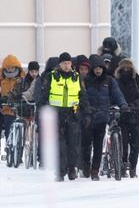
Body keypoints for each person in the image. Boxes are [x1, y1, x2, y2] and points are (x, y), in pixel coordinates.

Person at [84, 53, 127, 180]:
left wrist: (123, 104)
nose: (98, 70)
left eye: (100, 68)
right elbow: (83, 97)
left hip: (102, 117)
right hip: (88, 118)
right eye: (96, 68)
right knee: (86, 145)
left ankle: (95, 171)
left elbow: (117, 94)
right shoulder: (86, 81)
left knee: (98, 146)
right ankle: (86, 166)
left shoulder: (109, 81)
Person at [44, 52, 84, 181]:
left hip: (72, 114)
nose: (66, 66)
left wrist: (86, 111)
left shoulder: (77, 77)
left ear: (71, 64)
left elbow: (83, 96)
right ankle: (60, 171)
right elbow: (44, 96)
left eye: (68, 63)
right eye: (64, 63)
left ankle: (72, 168)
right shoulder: (52, 77)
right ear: (59, 64)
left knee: (73, 144)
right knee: (59, 144)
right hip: (57, 114)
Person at [115, 58, 139, 178]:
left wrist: (133, 105)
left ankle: (133, 168)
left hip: (136, 116)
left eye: (128, 68)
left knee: (135, 145)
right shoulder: (116, 83)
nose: (126, 71)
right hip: (122, 117)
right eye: (123, 68)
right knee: (123, 144)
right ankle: (123, 165)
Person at [74, 55, 93, 177]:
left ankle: (85, 165)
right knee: (77, 142)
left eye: (86, 69)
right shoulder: (74, 80)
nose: (84, 72)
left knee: (86, 142)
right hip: (76, 113)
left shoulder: (90, 80)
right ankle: (79, 165)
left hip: (87, 113)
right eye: (82, 69)